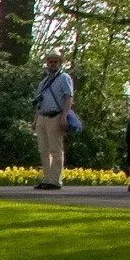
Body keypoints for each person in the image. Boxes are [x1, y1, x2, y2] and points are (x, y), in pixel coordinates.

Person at [33, 54, 76, 189]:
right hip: (42, 117)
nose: (53, 64)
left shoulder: (64, 78)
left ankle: (55, 181)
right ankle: (46, 179)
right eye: (50, 62)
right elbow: (39, 103)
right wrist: (35, 120)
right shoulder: (44, 82)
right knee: (43, 150)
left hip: (55, 116)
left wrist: (64, 116)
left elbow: (69, 97)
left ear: (60, 63)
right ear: (47, 63)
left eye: (55, 62)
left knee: (56, 150)